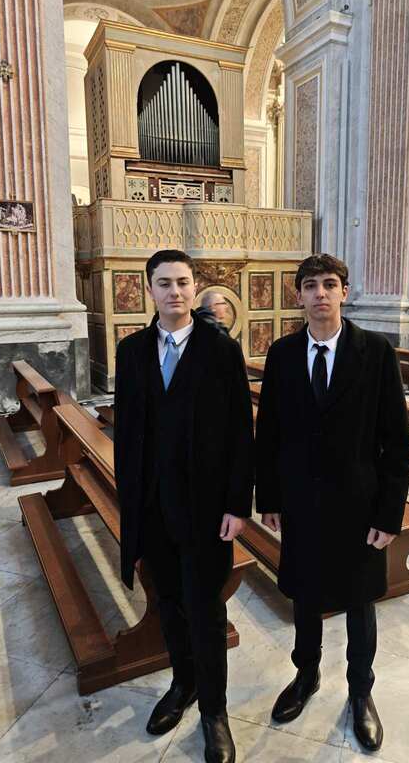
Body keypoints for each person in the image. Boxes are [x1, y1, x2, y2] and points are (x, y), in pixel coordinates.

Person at [255, 253, 409, 752]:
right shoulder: (282, 354)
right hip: (301, 500)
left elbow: (397, 441)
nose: (319, 293)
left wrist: (389, 514)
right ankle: (306, 675)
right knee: (304, 595)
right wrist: (269, 497)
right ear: (298, 295)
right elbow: (269, 433)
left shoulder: (375, 351)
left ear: (344, 291)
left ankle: (360, 692)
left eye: (329, 284)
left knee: (360, 600)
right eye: (310, 285)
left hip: (359, 504)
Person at [113, 250, 254, 763]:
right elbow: (127, 432)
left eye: (183, 282)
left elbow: (240, 433)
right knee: (168, 605)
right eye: (164, 283)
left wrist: (238, 505)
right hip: (152, 507)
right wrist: (129, 502)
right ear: (148, 289)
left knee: (205, 611)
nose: (175, 291)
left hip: (205, 509)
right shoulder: (131, 351)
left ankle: (215, 712)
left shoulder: (221, 350)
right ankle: (183, 683)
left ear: (195, 288)